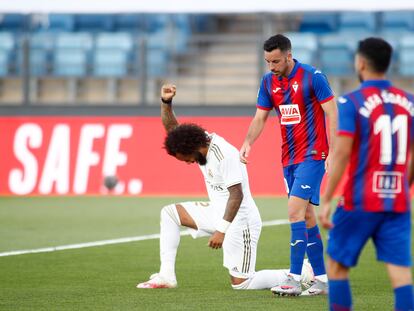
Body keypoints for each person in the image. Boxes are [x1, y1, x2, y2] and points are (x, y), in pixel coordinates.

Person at [137, 84, 314, 290]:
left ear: (191, 149)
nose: (187, 162)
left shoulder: (224, 154)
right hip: (217, 211)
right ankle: (166, 276)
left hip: (240, 220)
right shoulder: (198, 141)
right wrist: (166, 103)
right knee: (169, 214)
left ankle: (302, 272)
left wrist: (221, 231)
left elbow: (236, 195)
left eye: (186, 158)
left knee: (242, 284)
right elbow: (173, 131)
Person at [319, 37, 414, 310]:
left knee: (336, 266)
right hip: (397, 202)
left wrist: (326, 200)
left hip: (360, 201)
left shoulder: (351, 102)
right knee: (401, 274)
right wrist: (403, 188)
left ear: (360, 63)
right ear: (388, 64)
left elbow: (342, 153)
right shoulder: (409, 102)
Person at [239, 34, 338, 296]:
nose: (271, 66)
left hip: (313, 154)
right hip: (289, 157)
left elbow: (332, 113)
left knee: (294, 211)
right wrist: (249, 141)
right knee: (305, 216)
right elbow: (260, 117)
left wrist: (334, 151)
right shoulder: (268, 81)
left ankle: (294, 278)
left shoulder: (313, 77)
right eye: (267, 61)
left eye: (276, 61)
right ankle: (324, 280)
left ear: (289, 55)